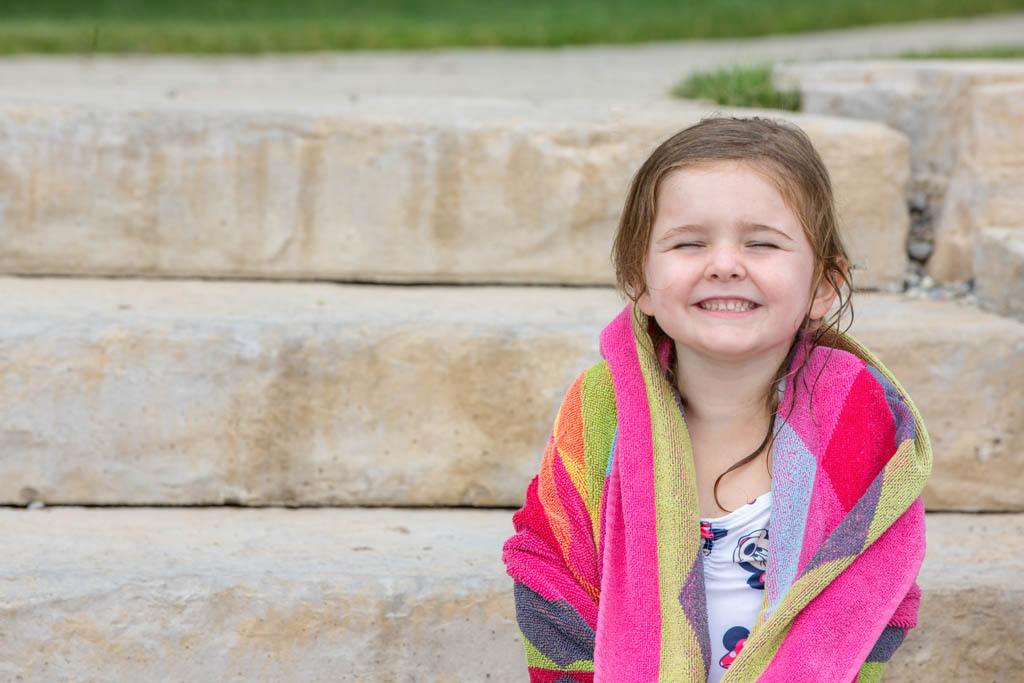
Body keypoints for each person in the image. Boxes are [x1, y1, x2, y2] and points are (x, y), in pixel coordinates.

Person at [501, 116, 931, 682]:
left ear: (823, 286)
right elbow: (551, 565)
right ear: (641, 280)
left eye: (761, 243)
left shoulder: (854, 414)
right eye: (689, 243)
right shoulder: (602, 408)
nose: (725, 263)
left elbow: (880, 585)